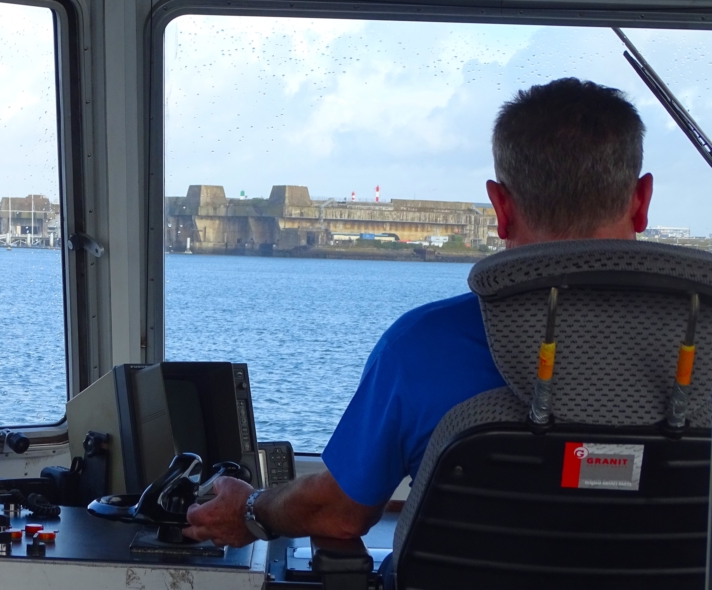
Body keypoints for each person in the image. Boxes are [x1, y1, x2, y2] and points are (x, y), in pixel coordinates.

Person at [182, 77, 654, 571]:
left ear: (501, 208)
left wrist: (252, 509)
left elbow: (340, 515)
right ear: (641, 201)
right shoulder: (702, 353)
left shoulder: (422, 348)